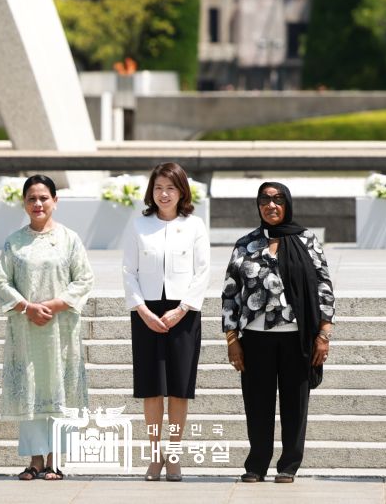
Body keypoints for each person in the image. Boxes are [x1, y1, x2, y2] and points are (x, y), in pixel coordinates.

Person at [221, 182, 334, 484]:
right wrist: (232, 339)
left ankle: (288, 464)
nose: (271, 205)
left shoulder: (306, 240)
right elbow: (230, 293)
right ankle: (256, 463)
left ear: (287, 204)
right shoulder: (246, 243)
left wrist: (323, 333)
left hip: (297, 336)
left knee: (295, 403)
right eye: (265, 200)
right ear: (258, 205)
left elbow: (324, 287)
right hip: (255, 337)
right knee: (257, 403)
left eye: (278, 199)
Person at [0, 174, 95, 481]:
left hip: (59, 330)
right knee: (32, 390)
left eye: (43, 198)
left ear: (55, 201)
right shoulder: (15, 242)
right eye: (31, 199)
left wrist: (55, 304)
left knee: (56, 389)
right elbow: (1, 282)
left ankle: (55, 459)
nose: (38, 204)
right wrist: (27, 307)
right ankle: (35, 459)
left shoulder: (70, 239)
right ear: (24, 203)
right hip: (25, 330)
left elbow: (84, 279)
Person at [121, 163, 211, 482]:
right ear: (151, 191)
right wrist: (143, 311)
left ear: (181, 191)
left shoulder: (195, 225)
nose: (164, 194)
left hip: (183, 313)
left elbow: (203, 272)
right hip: (147, 311)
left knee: (178, 388)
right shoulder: (138, 225)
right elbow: (128, 272)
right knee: (151, 387)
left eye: (170, 188)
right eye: (158, 187)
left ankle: (173, 454)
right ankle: (155, 454)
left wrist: (182, 309)